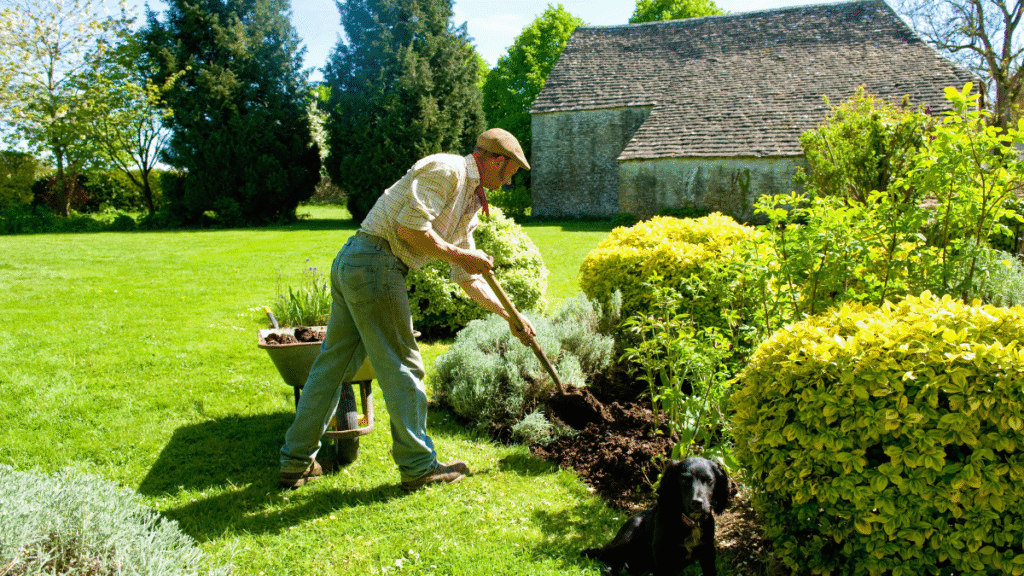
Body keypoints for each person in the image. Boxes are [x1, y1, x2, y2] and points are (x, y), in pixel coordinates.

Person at [279, 128, 536, 491]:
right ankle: (418, 466)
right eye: (510, 171)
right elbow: (409, 230)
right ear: (496, 160)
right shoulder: (448, 170)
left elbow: (466, 275)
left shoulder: (469, 201)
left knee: (332, 367)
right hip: (376, 263)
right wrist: (462, 254)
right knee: (404, 366)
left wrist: (511, 316)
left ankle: (296, 462)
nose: (510, 180)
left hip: (359, 264)